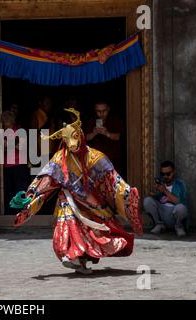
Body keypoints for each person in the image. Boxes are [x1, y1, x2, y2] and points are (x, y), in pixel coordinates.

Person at [10, 108, 142, 274]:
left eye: (74, 137)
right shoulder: (59, 158)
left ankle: (81, 260)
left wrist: (126, 192)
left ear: (80, 135)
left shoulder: (95, 157)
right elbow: (47, 180)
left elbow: (112, 179)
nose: (72, 144)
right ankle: (70, 255)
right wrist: (32, 195)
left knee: (92, 230)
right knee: (67, 223)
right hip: (68, 198)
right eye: (67, 139)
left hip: (91, 200)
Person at [143, 161, 188, 237]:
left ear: (173, 172)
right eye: (163, 174)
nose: (165, 176)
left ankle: (179, 227)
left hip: (174, 214)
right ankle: (159, 225)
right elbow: (151, 202)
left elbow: (179, 202)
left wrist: (165, 191)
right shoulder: (160, 183)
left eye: (168, 174)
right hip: (162, 212)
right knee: (147, 201)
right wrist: (154, 192)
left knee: (181, 208)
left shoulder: (180, 184)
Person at [85, 101, 124, 176]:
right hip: (96, 160)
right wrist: (94, 133)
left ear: (108, 109)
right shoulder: (91, 121)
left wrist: (107, 133)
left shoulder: (115, 120)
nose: (101, 113)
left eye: (104, 111)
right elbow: (86, 138)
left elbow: (119, 137)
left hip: (112, 159)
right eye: (98, 111)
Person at [1, 111, 29, 215]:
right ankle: (10, 213)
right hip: (6, 165)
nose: (6, 124)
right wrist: (13, 143)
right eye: (4, 122)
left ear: (13, 121)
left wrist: (7, 144)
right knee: (8, 190)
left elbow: (21, 147)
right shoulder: (1, 131)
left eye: (8, 121)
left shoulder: (19, 131)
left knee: (20, 190)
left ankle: (21, 212)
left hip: (19, 165)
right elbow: (1, 147)